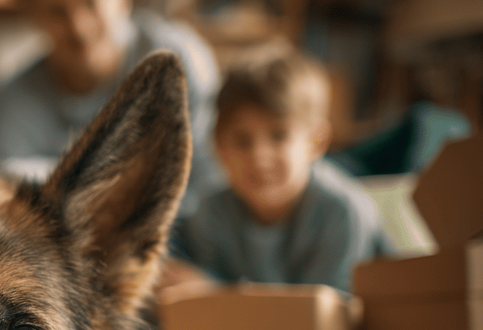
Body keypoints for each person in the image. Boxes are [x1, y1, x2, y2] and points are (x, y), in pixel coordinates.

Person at [168, 44, 399, 295]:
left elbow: (323, 317)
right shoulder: (209, 215)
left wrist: (217, 295)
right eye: (242, 141)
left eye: (279, 136)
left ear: (316, 142)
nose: (259, 156)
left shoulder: (342, 212)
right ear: (219, 148)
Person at [0, 0, 221, 215]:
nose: (78, 27)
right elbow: (16, 197)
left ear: (123, 3)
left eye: (91, 4)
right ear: (35, 19)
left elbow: (208, 180)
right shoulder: (14, 100)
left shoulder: (179, 59)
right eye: (57, 11)